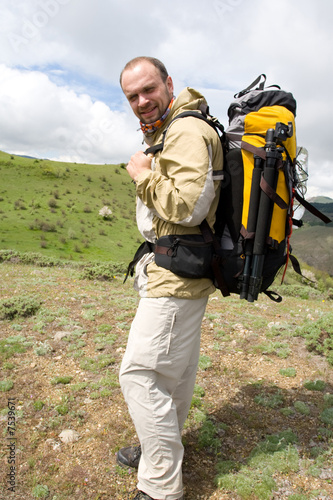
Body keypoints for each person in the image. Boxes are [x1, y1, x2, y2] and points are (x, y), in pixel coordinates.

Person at [117, 56, 223, 500]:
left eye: (148, 90)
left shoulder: (185, 130)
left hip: (177, 276)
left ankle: (161, 486)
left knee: (140, 374)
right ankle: (161, 444)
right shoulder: (171, 129)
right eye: (132, 96)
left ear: (168, 84)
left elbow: (189, 207)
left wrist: (142, 177)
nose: (142, 101)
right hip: (180, 271)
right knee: (174, 373)